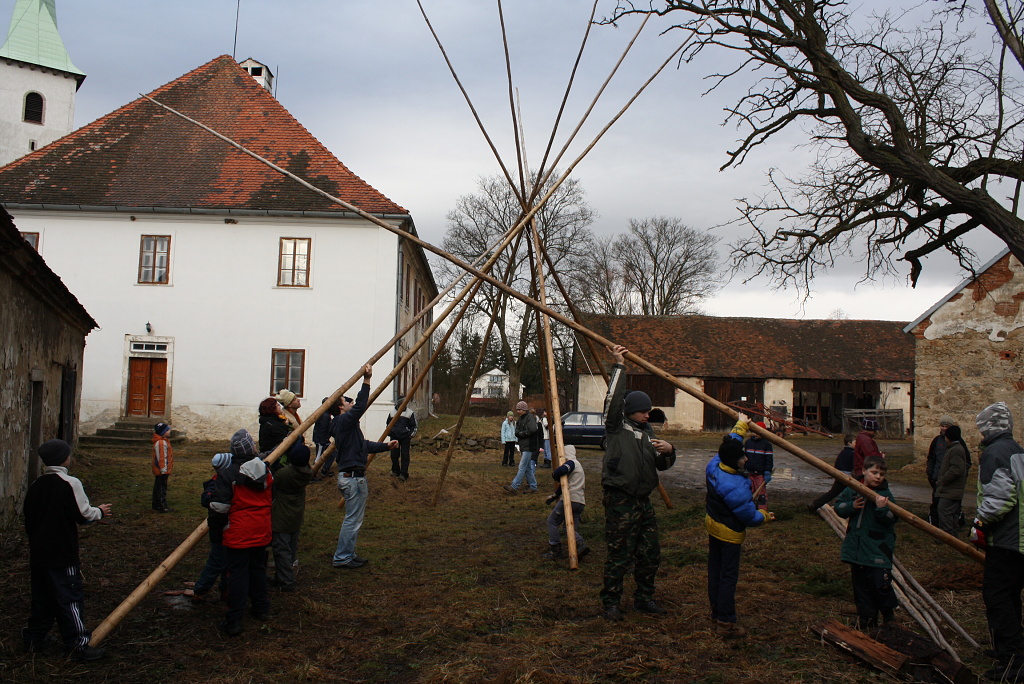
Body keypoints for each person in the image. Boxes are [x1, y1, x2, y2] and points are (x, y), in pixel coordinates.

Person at [600, 345, 676, 621]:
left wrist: (669, 452)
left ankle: (644, 598)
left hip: (643, 502)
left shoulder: (647, 433)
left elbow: (660, 464)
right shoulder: (616, 428)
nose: (648, 415)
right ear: (631, 411)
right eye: (643, 411)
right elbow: (613, 401)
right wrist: (619, 365)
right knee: (619, 553)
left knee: (649, 554)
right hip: (620, 500)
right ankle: (610, 602)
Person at [22, 439, 112, 662]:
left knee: (42, 598)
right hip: (62, 553)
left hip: (39, 553)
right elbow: (82, 514)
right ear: (65, 458)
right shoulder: (70, 483)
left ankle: (34, 639)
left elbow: (33, 516)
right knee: (69, 598)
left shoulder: (36, 484)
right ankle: (77, 645)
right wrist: (99, 512)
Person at [971, 402, 1024, 681]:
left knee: (998, 598)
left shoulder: (995, 452)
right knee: (1011, 597)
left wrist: (979, 524)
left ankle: (1012, 663)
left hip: (1006, 540)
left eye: (981, 428)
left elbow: (1001, 498)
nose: (980, 434)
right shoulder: (1016, 450)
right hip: (1019, 541)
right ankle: (1011, 651)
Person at [706, 420, 772, 638]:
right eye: (742, 457)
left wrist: (740, 425)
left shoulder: (715, 466)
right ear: (735, 462)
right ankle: (726, 623)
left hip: (713, 527)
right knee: (727, 577)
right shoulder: (735, 486)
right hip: (730, 536)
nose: (746, 458)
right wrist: (763, 515)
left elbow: (729, 444)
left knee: (715, 571)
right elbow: (749, 517)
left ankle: (716, 613)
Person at [331, 363, 397, 569]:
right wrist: (367, 380)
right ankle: (342, 557)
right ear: (341, 407)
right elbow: (360, 406)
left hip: (353, 476)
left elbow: (364, 445)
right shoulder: (343, 423)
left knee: (354, 520)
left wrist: (386, 446)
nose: (349, 402)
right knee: (352, 520)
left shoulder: (347, 427)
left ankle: (347, 554)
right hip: (352, 478)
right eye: (345, 400)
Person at [210, 429, 273, 636]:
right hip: (261, 528)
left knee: (237, 575)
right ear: (251, 448)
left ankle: (234, 620)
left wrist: (217, 531)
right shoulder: (265, 470)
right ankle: (261, 609)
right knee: (257, 570)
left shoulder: (228, 474)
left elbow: (219, 507)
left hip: (238, 532)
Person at [834, 455, 898, 629]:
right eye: (874, 472)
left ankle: (889, 618)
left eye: (881, 474)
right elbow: (838, 507)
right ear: (864, 471)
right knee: (861, 587)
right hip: (857, 549)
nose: (878, 477)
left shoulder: (885, 495)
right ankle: (867, 619)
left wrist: (881, 509)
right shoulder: (854, 489)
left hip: (877, 549)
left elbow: (892, 518)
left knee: (880, 584)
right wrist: (851, 506)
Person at [271, 441, 313, 591]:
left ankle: (287, 582)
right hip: (296, 515)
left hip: (282, 516)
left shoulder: (284, 474)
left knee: (282, 550)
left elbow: (272, 480)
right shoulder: (308, 472)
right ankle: (282, 576)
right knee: (291, 547)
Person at [191, 452, 232, 603]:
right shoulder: (217, 484)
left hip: (226, 530)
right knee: (216, 561)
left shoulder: (222, 481)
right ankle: (200, 589)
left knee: (228, 563)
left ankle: (226, 590)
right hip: (219, 531)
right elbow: (207, 499)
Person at [542, 444, 589, 560]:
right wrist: (555, 496)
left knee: (552, 521)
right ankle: (578, 546)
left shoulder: (571, 463)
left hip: (570, 500)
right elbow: (565, 483)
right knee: (569, 528)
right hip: (580, 502)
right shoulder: (578, 466)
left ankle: (555, 550)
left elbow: (560, 472)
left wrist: (554, 474)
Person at [933, 424, 969, 536]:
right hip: (952, 490)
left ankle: (947, 535)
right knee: (952, 512)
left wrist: (943, 480)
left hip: (951, 490)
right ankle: (953, 534)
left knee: (944, 511)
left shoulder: (956, 450)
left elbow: (956, 469)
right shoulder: (954, 449)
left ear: (948, 437)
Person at [807, 434, 856, 511]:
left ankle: (815, 504)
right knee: (854, 493)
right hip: (847, 477)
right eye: (855, 442)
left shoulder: (842, 452)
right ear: (849, 443)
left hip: (839, 475)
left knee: (832, 493)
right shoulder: (852, 453)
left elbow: (837, 464)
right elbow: (853, 466)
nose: (856, 444)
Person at [503, 401, 540, 494]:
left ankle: (514, 486)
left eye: (519, 409)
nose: (518, 411)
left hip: (529, 446)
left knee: (522, 466)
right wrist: (519, 433)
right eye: (517, 409)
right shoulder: (520, 419)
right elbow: (517, 430)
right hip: (524, 446)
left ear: (524, 409)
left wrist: (522, 433)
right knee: (527, 468)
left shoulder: (529, 418)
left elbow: (533, 429)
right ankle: (533, 486)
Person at [926, 416, 955, 523]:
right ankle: (934, 524)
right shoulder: (937, 441)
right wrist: (930, 473)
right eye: (942, 426)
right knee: (936, 503)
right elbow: (931, 458)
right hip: (937, 478)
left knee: (949, 505)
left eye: (946, 426)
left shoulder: (957, 442)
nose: (944, 428)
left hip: (950, 479)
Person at [744, 422, 773, 511]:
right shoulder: (748, 443)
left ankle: (762, 511)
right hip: (749, 473)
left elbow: (769, 459)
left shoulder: (766, 444)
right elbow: (744, 457)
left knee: (761, 494)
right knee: (748, 492)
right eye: (754, 431)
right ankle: (749, 510)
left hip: (760, 474)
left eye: (758, 432)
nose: (756, 434)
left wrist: (767, 471)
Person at [387, 396, 418, 482]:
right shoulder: (392, 413)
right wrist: (390, 433)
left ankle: (404, 473)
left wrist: (410, 436)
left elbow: (414, 426)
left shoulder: (410, 413)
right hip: (394, 437)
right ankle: (395, 471)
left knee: (405, 455)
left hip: (405, 438)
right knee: (394, 455)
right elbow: (388, 425)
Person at [312, 397, 340, 479]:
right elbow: (322, 429)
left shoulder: (326, 415)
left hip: (322, 439)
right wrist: (323, 441)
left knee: (333, 452)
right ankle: (312, 474)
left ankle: (325, 469)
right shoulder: (325, 416)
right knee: (318, 457)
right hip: (321, 440)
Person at [151, 422, 173, 513]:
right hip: (162, 470)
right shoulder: (161, 443)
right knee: (161, 488)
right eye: (167, 430)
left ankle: (156, 504)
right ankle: (162, 505)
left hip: (162, 469)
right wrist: (163, 470)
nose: (169, 431)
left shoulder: (163, 441)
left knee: (158, 486)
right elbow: (162, 457)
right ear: (162, 432)